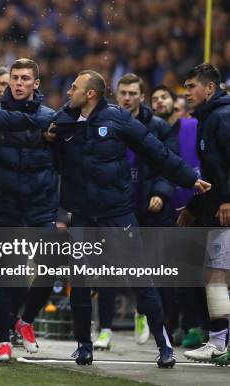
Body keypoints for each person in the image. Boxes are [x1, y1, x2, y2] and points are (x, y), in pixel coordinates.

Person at [51, 70, 210, 368]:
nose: (68, 90)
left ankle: (163, 346)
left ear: (90, 94)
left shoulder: (117, 120)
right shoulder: (64, 122)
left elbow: (157, 152)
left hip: (117, 213)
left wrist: (188, 179)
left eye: (74, 87)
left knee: (141, 279)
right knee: (81, 282)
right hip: (83, 215)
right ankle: (84, 345)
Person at [0, 58, 58, 361]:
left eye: (24, 79)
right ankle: (4, 340)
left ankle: (26, 320)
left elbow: (62, 162)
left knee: (49, 268)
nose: (18, 83)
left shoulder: (50, 118)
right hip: (1, 203)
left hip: (39, 204)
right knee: (3, 275)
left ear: (36, 83)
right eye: (14, 78)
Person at [93, 73, 179, 351]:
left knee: (148, 270)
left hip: (147, 208)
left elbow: (168, 161)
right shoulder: (102, 121)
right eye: (123, 93)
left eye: (133, 93)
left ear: (142, 97)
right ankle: (104, 328)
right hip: (113, 206)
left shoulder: (157, 127)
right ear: (116, 95)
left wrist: (160, 193)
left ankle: (147, 316)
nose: (127, 98)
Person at [180, 63, 230, 366]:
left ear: (209, 88)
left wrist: (226, 200)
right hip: (214, 209)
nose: (186, 94)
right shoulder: (210, 118)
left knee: (216, 276)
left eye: (190, 87)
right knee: (217, 276)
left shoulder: (221, 118)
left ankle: (217, 341)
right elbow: (213, 174)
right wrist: (194, 208)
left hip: (224, 212)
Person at [151, 84, 207, 349]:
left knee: (194, 274)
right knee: (171, 275)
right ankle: (175, 324)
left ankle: (198, 325)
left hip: (194, 208)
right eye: (155, 98)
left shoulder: (192, 127)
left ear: (174, 102)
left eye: (164, 97)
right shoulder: (148, 133)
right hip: (164, 214)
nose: (160, 102)